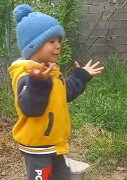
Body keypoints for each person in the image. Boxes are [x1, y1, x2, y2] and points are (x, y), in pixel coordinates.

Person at [8, 4, 104, 180]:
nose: (58, 46)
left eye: (59, 41)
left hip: (55, 144)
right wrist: (37, 83)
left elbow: (64, 92)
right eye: (51, 41)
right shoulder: (26, 75)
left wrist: (81, 77)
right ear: (33, 46)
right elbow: (30, 107)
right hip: (37, 148)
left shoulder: (52, 72)